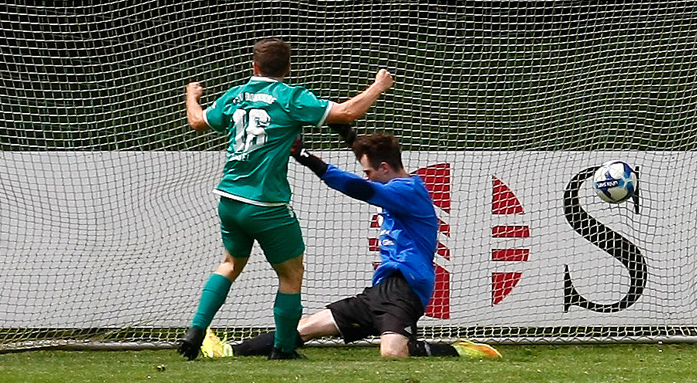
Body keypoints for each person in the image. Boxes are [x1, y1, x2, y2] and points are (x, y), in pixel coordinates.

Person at [178, 36, 394, 360]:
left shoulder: (235, 95)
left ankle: (195, 332)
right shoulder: (290, 98)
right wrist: (378, 86)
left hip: (229, 200)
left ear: (254, 66)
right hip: (266, 205)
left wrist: (191, 95)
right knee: (291, 274)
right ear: (288, 68)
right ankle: (283, 347)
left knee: (230, 263)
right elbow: (347, 113)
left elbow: (196, 121)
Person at [200, 130, 500, 360]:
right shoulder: (396, 186)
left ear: (384, 168)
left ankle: (459, 350)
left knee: (393, 354)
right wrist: (346, 132)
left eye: (369, 171)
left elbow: (355, 187)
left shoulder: (407, 190)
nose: (365, 176)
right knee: (299, 331)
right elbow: (362, 168)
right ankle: (229, 351)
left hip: (405, 289)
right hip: (379, 291)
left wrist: (307, 158)